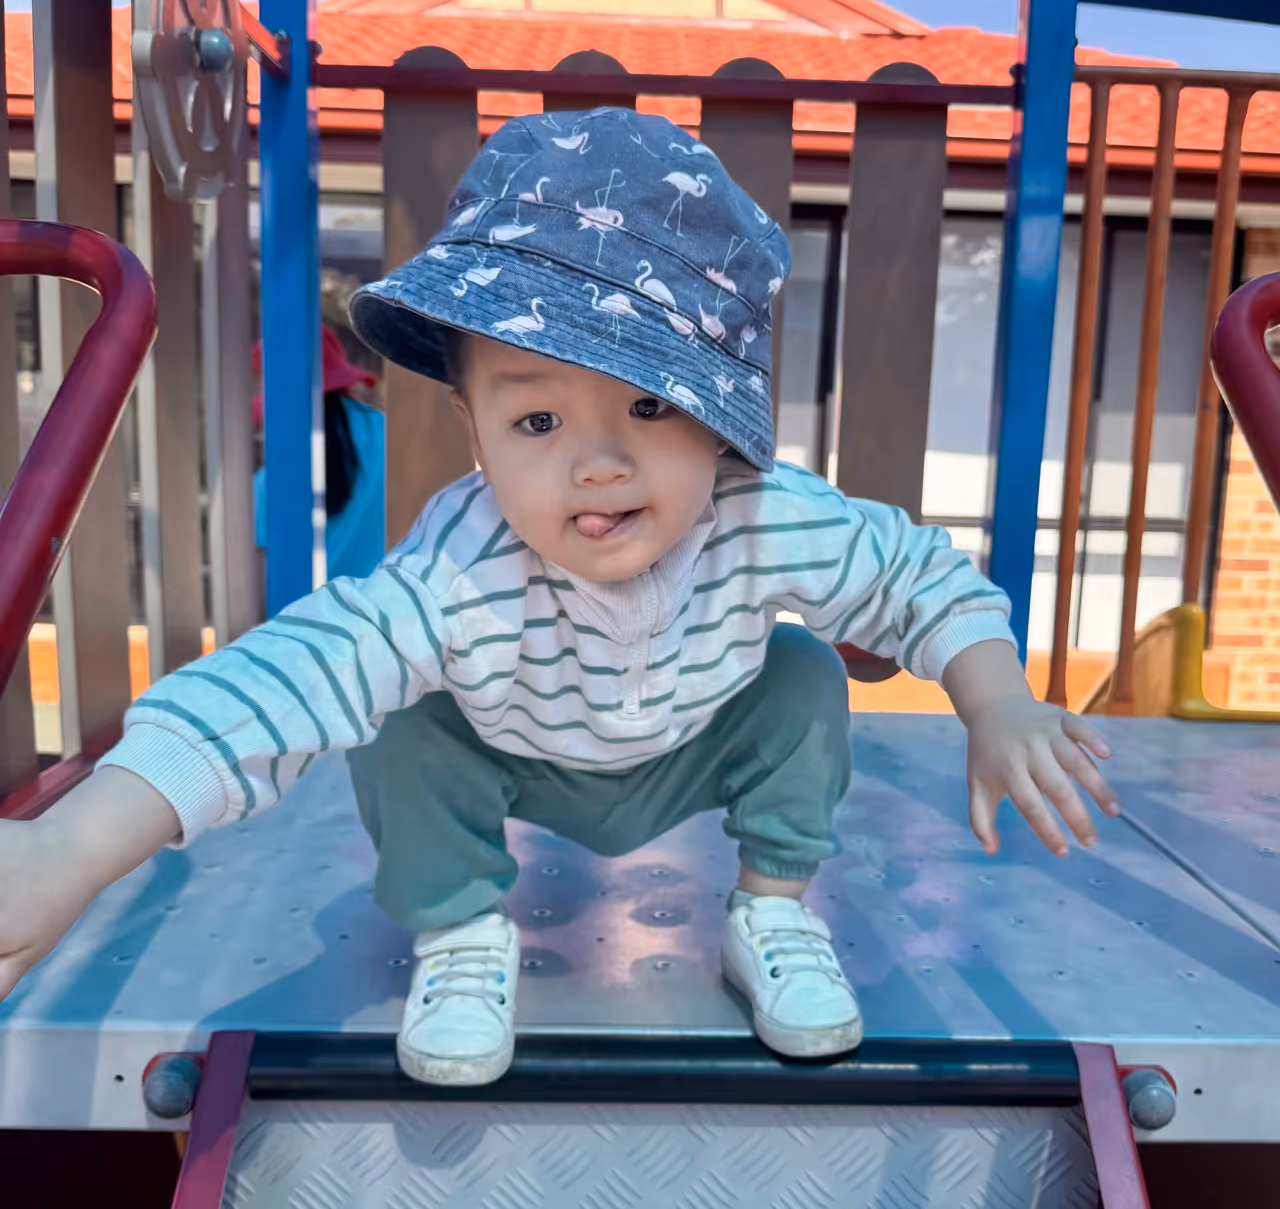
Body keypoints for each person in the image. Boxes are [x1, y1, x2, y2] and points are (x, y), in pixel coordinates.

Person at [0, 108, 1119, 1088]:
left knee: (803, 675)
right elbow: (278, 685)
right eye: (537, 420)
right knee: (400, 713)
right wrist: (73, 850)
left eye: (648, 407)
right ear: (474, 432)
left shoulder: (763, 512)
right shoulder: (456, 571)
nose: (596, 463)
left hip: (697, 742)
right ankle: (460, 932)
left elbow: (912, 570)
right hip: (512, 753)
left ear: (722, 415)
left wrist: (995, 701)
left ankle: (773, 908)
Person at [253, 322, 386, 582]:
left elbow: (262, 570)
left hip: (308, 617)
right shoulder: (384, 431)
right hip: (388, 609)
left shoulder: (274, 472)